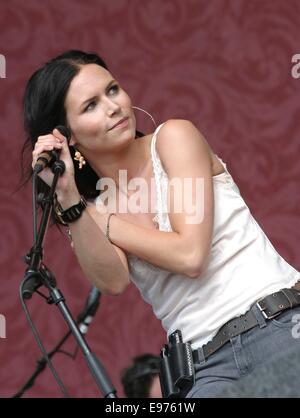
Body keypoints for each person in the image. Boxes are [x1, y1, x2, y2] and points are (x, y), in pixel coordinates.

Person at [21, 49, 300, 398]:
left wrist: (104, 222)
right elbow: (113, 281)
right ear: (67, 136)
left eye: (112, 90)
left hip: (277, 327)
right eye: (90, 105)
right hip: (204, 369)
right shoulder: (88, 210)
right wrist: (69, 199)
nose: (112, 106)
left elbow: (191, 255)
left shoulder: (174, 138)